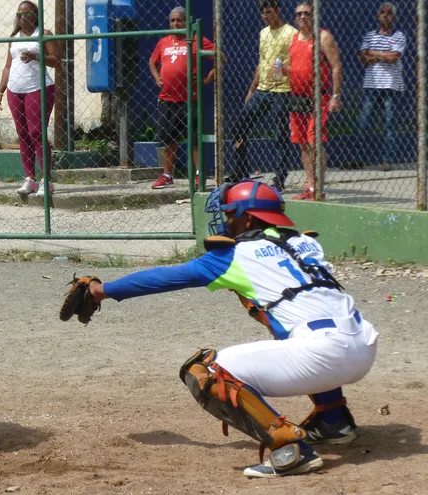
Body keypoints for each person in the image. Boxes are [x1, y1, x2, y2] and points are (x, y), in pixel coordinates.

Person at [77, 179, 377, 478]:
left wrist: (102, 289)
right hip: (364, 346)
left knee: (207, 372)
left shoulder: (233, 255)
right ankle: (334, 421)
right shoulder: (307, 243)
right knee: (294, 333)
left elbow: (166, 277)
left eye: (230, 214)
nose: (225, 220)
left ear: (247, 217)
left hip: (324, 355)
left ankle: (290, 450)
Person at [226, 0, 297, 192]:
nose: (266, 17)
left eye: (269, 12)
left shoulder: (291, 33)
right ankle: (240, 171)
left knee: (280, 135)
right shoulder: (263, 33)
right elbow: (261, 62)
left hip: (282, 91)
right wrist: (251, 90)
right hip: (262, 90)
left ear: (277, 11)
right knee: (239, 127)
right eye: (263, 14)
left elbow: (297, 62)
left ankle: (280, 177)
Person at [0, 1, 61, 198]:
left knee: (36, 132)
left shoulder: (44, 34)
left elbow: (57, 60)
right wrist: (0, 91)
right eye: (19, 14)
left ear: (35, 15)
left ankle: (46, 181)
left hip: (38, 88)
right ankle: (29, 179)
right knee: (23, 134)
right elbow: (8, 66)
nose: (21, 18)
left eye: (26, 14)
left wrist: (35, 56)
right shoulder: (13, 38)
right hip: (15, 90)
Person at [148, 6, 215, 190]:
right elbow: (152, 61)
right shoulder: (163, 42)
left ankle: (198, 175)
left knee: (193, 139)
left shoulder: (195, 40)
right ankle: (168, 175)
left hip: (190, 100)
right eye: (172, 20)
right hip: (167, 100)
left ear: (186, 22)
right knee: (169, 139)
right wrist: (157, 77)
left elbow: (220, 56)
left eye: (179, 20)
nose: (176, 23)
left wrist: (208, 78)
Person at [284, 1, 342, 201]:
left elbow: (336, 66)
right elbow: (297, 69)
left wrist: (336, 96)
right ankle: (309, 187)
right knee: (302, 143)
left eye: (306, 13)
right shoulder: (294, 39)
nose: (302, 17)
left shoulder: (323, 37)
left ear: (314, 15)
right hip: (297, 99)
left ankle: (319, 187)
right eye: (298, 14)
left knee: (314, 142)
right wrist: (284, 70)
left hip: (319, 98)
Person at [354, 3, 405, 172]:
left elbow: (394, 58)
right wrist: (384, 54)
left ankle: (387, 160)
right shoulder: (369, 36)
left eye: (389, 13)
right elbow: (362, 58)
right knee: (363, 122)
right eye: (382, 13)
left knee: (389, 124)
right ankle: (357, 159)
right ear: (378, 16)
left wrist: (373, 54)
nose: (385, 15)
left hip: (391, 85)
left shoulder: (399, 36)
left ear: (394, 18)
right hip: (371, 85)